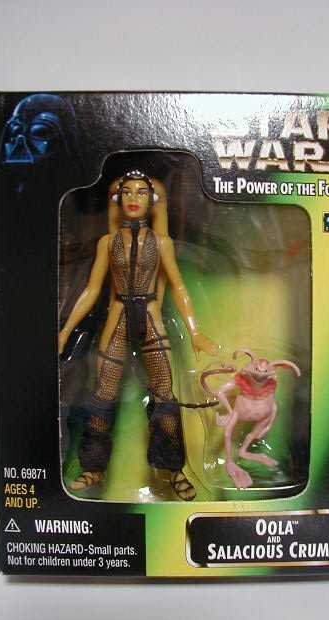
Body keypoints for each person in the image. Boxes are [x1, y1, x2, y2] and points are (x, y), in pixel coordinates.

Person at [59, 169, 218, 500]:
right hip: (117, 318)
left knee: (164, 395)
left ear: (152, 200)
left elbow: (178, 286)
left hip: (150, 317)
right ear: (119, 200)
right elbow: (91, 290)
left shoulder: (161, 244)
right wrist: (65, 331)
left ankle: (173, 469)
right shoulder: (107, 243)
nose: (134, 198)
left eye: (141, 193)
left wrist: (194, 331)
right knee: (103, 395)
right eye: (128, 192)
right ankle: (92, 468)